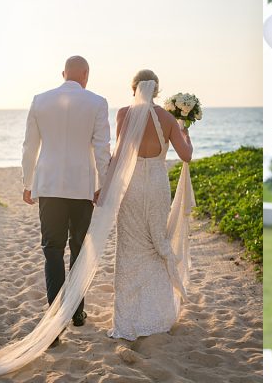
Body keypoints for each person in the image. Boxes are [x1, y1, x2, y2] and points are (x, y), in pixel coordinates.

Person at [21, 55, 111, 347]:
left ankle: (54, 322)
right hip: (81, 186)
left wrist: (27, 182)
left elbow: (29, 146)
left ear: (63, 73)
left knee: (52, 250)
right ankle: (77, 312)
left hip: (48, 186)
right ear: (86, 74)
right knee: (79, 250)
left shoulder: (40, 100)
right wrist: (104, 184)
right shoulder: (97, 102)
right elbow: (101, 148)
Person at [108, 69, 193, 340]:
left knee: (130, 246)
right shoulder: (168, 119)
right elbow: (186, 156)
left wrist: (107, 188)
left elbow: (119, 154)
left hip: (131, 186)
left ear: (134, 88)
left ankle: (129, 316)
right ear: (157, 90)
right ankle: (156, 315)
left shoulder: (124, 114)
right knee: (157, 243)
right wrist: (184, 132)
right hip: (156, 185)